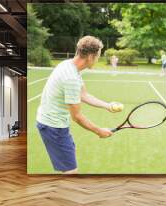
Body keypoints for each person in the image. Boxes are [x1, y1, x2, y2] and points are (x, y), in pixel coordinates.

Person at [36, 36, 122, 174]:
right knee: (71, 172)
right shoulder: (71, 78)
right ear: (90, 56)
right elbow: (77, 117)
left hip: (55, 123)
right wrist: (99, 131)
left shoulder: (69, 66)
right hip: (53, 127)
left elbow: (84, 95)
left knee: (70, 158)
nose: (98, 59)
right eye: (98, 56)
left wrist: (107, 105)